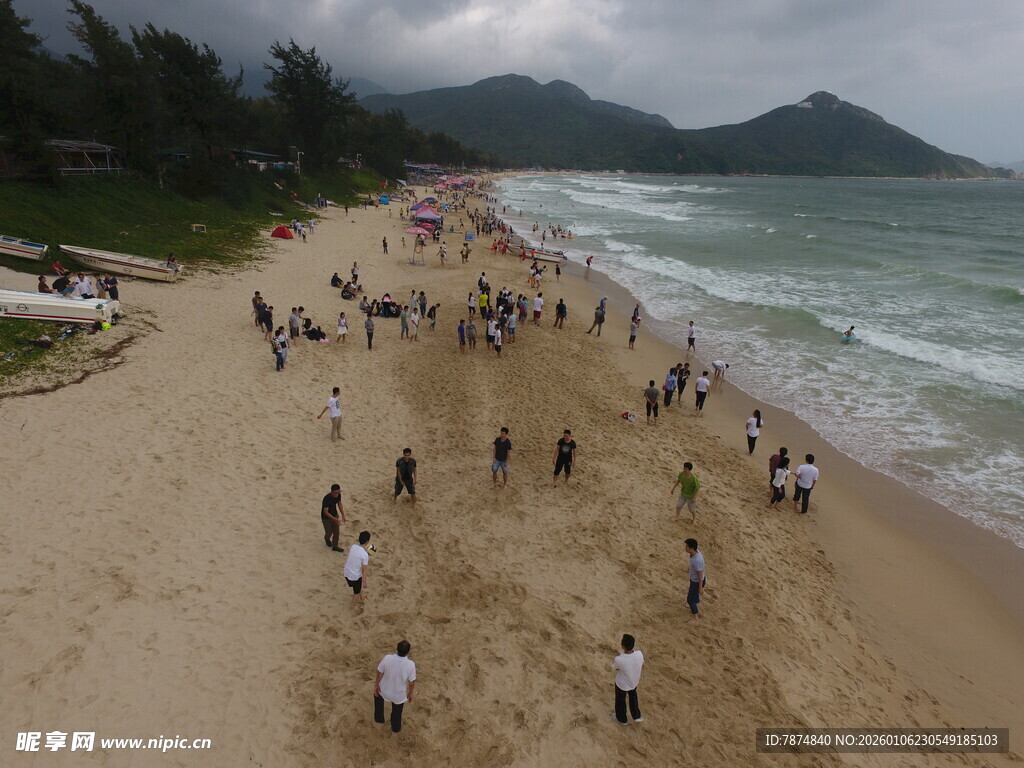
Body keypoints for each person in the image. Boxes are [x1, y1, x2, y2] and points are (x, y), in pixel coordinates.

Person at [374, 640, 416, 733]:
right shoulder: (410, 664)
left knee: (377, 698)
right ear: (408, 651)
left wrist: (376, 686)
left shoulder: (387, 658)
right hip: (398, 695)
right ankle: (395, 728)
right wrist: (410, 693)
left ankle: (379, 719)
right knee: (397, 713)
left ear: (397, 648)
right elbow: (412, 682)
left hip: (384, 690)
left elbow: (380, 673)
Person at [611, 634, 644, 725]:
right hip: (634, 681)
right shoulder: (639, 654)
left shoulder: (619, 659)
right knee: (633, 697)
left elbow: (615, 668)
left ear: (622, 646)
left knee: (620, 701)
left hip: (622, 684)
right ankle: (636, 716)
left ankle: (622, 719)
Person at [344, 531, 372, 610]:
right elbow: (364, 570)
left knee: (357, 588)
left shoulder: (353, 546)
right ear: (367, 542)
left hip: (346, 573)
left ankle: (362, 594)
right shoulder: (365, 555)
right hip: (354, 577)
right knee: (356, 592)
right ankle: (351, 607)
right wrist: (364, 582)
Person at [684, 538, 706, 621]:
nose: (685, 548)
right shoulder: (695, 553)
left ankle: (696, 617)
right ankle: (694, 601)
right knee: (693, 594)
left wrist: (700, 587)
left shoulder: (697, 560)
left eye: (686, 546)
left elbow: (699, 574)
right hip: (694, 580)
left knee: (690, 600)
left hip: (697, 582)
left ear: (691, 549)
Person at [320, 484, 347, 550]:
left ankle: (335, 546)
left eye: (338, 492)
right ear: (331, 492)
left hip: (334, 514)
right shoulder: (326, 499)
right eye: (335, 493)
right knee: (329, 532)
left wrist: (343, 515)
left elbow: (339, 504)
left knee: (336, 532)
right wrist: (335, 519)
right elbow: (326, 512)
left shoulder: (338, 495)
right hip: (326, 518)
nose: (337, 494)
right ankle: (326, 539)